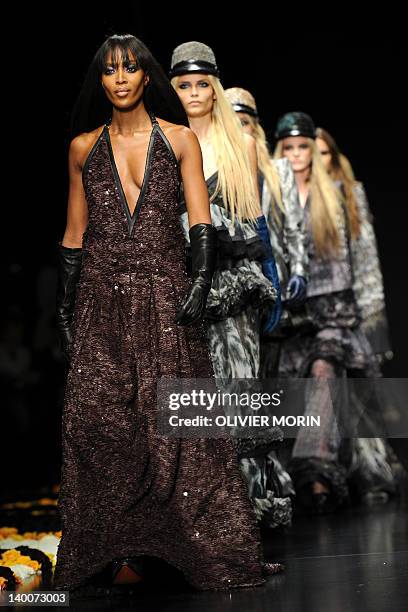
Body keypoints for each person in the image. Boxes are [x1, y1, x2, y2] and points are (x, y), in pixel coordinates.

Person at [53, 34, 282, 593]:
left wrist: (201, 280)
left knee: (180, 432)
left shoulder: (179, 140)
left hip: (166, 296)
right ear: (101, 81)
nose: (122, 79)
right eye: (111, 72)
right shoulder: (83, 147)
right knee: (98, 424)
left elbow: (201, 222)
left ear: (147, 76)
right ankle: (119, 548)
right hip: (101, 301)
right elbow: (75, 232)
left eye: (131, 69)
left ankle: (180, 546)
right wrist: (65, 304)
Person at [169, 42, 288, 528]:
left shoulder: (237, 143)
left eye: (202, 84)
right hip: (182, 285)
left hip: (234, 283)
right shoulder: (162, 141)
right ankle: (204, 518)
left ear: (214, 87)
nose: (194, 93)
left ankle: (246, 514)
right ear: (171, 88)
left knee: (238, 389)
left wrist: (273, 279)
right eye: (184, 85)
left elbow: (256, 220)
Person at [273, 112, 401, 513]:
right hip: (295, 315)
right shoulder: (274, 191)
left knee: (326, 375)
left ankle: (315, 472)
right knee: (302, 390)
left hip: (337, 313)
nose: (296, 155)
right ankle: (301, 475)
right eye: (288, 148)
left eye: (302, 147)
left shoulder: (341, 193)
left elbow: (363, 257)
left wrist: (371, 316)